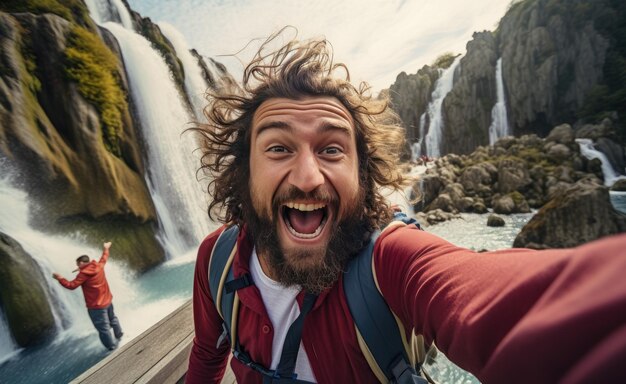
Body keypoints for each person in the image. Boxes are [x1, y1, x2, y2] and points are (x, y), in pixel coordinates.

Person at [186, 32, 626, 384]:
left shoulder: (391, 262)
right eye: (279, 147)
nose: (308, 177)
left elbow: (516, 303)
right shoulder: (216, 261)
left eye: (332, 150)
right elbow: (208, 355)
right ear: (244, 172)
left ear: (363, 174)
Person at [53, 241, 123, 350]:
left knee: (103, 329)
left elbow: (71, 285)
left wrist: (60, 278)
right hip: (108, 301)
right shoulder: (99, 266)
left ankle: (112, 349)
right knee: (113, 319)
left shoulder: (83, 274)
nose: (76, 266)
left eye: (77, 264)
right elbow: (104, 257)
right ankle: (119, 335)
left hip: (96, 307)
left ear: (81, 263)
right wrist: (106, 248)